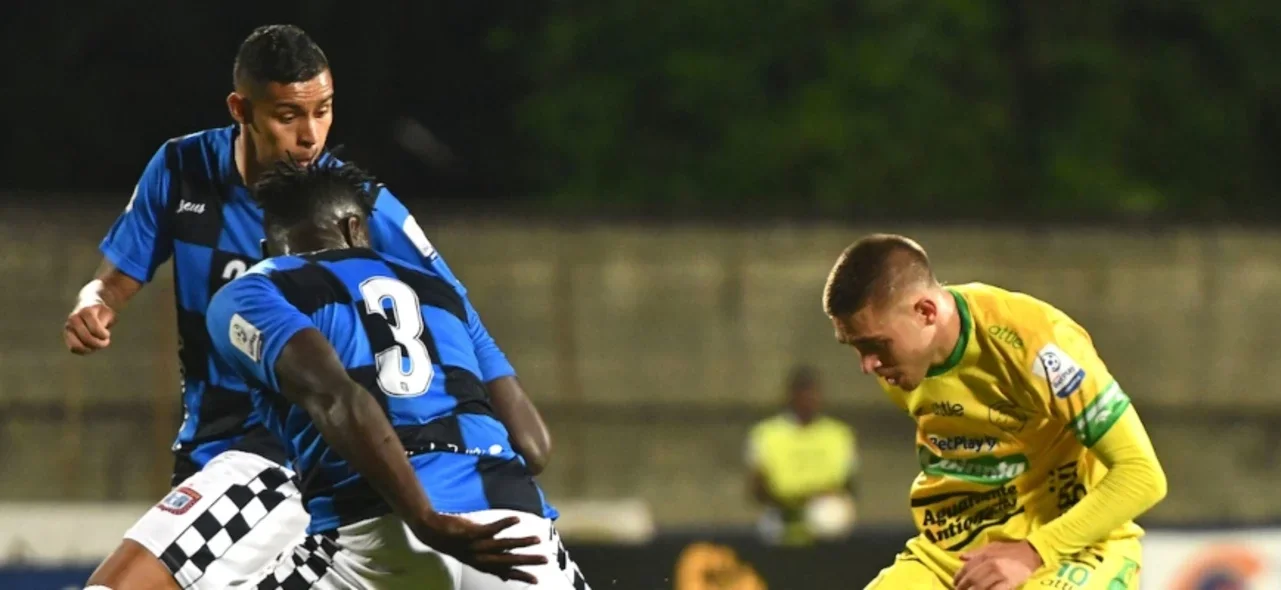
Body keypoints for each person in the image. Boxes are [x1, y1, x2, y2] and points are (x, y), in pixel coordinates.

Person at [66, 25, 550, 590]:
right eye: (289, 115)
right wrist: (93, 304)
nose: (311, 136)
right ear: (241, 109)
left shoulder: (353, 202)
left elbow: (456, 310)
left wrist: (504, 432)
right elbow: (114, 281)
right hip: (217, 447)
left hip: (279, 454)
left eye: (323, 112)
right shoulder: (182, 170)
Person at [206, 159, 588, 589]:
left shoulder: (257, 288)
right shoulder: (444, 292)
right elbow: (534, 447)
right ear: (356, 229)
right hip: (515, 532)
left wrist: (425, 519)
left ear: (265, 248)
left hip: (382, 530)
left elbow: (339, 398)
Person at [822, 234, 1167, 590]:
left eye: (875, 345)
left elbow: (1142, 474)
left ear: (926, 312)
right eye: (855, 347)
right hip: (954, 554)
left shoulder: (1037, 343)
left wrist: (1034, 550)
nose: (867, 365)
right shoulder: (899, 363)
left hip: (1069, 547)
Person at [744, 365, 859, 546]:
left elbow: (848, 484)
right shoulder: (767, 433)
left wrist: (818, 495)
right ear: (791, 396)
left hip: (823, 508)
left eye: (812, 394)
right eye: (802, 395)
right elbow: (757, 487)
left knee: (831, 515)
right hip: (782, 510)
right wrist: (790, 502)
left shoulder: (838, 434)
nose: (808, 401)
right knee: (770, 523)